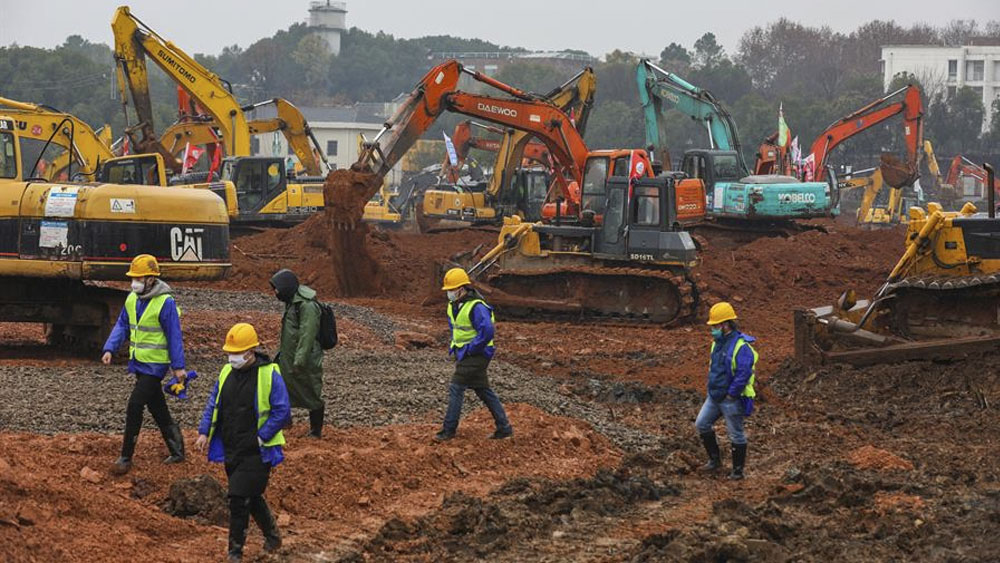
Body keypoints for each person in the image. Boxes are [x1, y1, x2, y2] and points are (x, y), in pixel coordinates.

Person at [195, 323, 290, 562]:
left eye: (237, 353)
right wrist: (204, 432)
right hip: (232, 446)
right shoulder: (226, 372)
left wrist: (262, 436)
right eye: (230, 353)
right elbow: (214, 402)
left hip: (257, 450)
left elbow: (282, 411)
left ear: (251, 351)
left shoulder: (269, 374)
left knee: (238, 499)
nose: (232, 357)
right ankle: (273, 536)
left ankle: (234, 553)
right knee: (250, 495)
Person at [102, 254, 187, 475]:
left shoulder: (165, 302)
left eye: (138, 278)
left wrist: (178, 367)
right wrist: (110, 348)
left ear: (151, 279)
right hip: (139, 363)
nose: (134, 282)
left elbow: (174, 335)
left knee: (135, 404)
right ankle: (177, 449)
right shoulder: (132, 299)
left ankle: (125, 456)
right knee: (157, 407)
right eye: (133, 278)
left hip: (155, 366)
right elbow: (122, 325)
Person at [435, 268, 512, 441]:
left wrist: (471, 349)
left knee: (456, 387)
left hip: (477, 353)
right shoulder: (453, 305)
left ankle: (448, 430)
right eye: (448, 290)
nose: (449, 293)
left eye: (452, 289)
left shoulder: (477, 306)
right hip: (464, 353)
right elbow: (456, 329)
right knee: (482, 389)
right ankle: (504, 428)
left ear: (462, 288)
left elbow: (487, 332)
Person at [696, 302, 758, 480]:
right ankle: (714, 461)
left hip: (730, 399)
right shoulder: (716, 343)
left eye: (715, 326)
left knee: (736, 435)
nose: (712, 330)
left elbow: (744, 373)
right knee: (701, 424)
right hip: (715, 395)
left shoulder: (741, 346)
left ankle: (737, 472)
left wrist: (732, 393)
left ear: (725, 325)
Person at [268, 269, 325, 438]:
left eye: (277, 289)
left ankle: (316, 431)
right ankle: (285, 421)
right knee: (280, 388)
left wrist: (300, 360)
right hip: (289, 357)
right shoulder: (293, 302)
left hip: (305, 359)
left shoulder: (307, 305)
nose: (275, 293)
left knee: (311, 392)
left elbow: (307, 335)